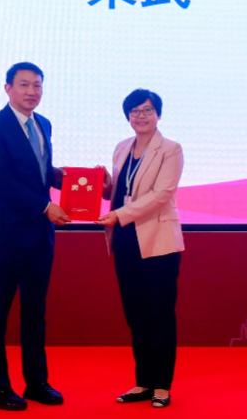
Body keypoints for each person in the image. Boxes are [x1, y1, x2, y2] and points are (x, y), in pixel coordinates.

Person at [0, 62, 69, 411]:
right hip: (7, 236)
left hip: (40, 237)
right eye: (24, 85)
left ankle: (36, 382)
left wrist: (75, 180)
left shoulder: (43, 123)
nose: (32, 91)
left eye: (38, 85)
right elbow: (4, 181)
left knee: (35, 312)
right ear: (8, 88)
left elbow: (39, 172)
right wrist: (46, 206)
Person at [97, 89, 185, 409]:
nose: (141, 116)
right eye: (135, 111)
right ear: (128, 116)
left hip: (158, 242)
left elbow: (161, 194)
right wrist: (104, 185)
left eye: (147, 110)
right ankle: (144, 381)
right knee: (135, 314)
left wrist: (120, 214)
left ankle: (162, 385)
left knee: (159, 313)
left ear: (158, 114)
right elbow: (122, 191)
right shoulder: (122, 147)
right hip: (124, 239)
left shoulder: (171, 149)